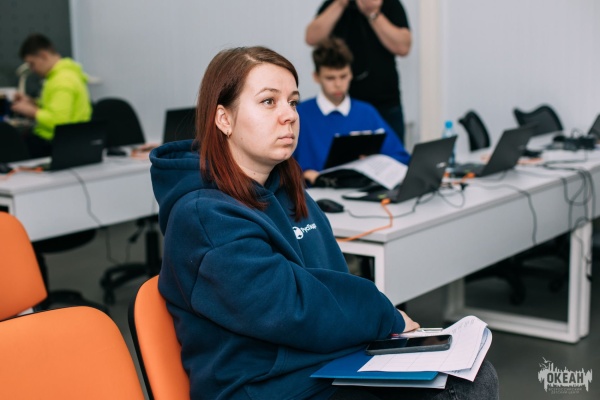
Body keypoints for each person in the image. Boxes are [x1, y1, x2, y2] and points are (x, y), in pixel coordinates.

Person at [149, 46, 498, 400]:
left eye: (293, 102)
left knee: (471, 376)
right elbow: (291, 307)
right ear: (224, 119)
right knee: (462, 388)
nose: (289, 115)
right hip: (265, 387)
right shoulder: (203, 217)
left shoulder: (287, 189)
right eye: (269, 101)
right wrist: (384, 316)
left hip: (322, 361)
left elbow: (331, 278)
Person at [294, 37, 410, 185]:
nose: (338, 84)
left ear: (351, 74)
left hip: (361, 192)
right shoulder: (299, 115)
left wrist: (374, 162)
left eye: (343, 76)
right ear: (316, 77)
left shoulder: (367, 112)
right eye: (330, 78)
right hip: (314, 195)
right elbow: (280, 166)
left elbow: (401, 157)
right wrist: (304, 174)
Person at [306, 0, 411, 144]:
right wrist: (340, 4)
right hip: (347, 105)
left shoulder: (389, 4)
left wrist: (373, 13)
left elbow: (403, 47)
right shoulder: (334, 4)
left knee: (392, 152)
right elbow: (311, 38)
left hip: (386, 103)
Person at [10, 33, 92, 157]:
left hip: (55, 144)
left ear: (43, 55)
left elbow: (59, 122)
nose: (32, 69)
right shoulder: (65, 74)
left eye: (32, 63)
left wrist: (32, 112)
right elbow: (55, 107)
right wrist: (32, 102)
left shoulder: (62, 81)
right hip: (71, 141)